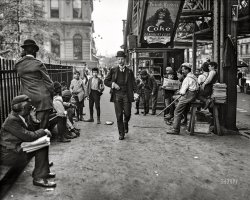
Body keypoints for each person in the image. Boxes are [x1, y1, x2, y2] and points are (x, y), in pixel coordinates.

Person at [0, 95, 56, 187]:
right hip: (9, 154)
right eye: (29, 106)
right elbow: (29, 137)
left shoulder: (21, 117)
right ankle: (38, 178)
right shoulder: (11, 121)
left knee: (43, 142)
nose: (32, 108)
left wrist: (34, 119)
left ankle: (43, 172)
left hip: (17, 148)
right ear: (23, 108)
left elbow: (32, 133)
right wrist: (44, 131)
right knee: (42, 144)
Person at [15, 39, 54, 129]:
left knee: (30, 125)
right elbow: (49, 83)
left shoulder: (18, 64)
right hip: (42, 98)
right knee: (42, 127)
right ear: (34, 51)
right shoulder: (38, 64)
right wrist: (52, 96)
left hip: (27, 98)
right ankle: (42, 140)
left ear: (25, 50)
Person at [104, 51, 136, 140]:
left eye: (122, 59)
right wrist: (113, 84)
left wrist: (136, 93)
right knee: (118, 115)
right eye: (119, 59)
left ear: (125, 59)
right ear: (117, 60)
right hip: (117, 95)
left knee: (128, 113)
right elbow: (106, 81)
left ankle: (126, 123)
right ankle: (121, 133)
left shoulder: (129, 71)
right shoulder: (113, 70)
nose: (120, 61)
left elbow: (133, 83)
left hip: (127, 95)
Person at [167, 63, 199, 135]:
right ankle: (176, 125)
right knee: (178, 107)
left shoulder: (187, 78)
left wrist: (180, 93)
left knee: (177, 111)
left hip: (188, 96)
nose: (182, 71)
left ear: (187, 70)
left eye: (183, 70)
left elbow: (183, 91)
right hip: (193, 95)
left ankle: (175, 129)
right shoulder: (193, 76)